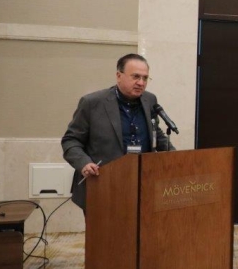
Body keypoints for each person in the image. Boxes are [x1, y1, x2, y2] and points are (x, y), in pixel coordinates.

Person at [62, 53, 174, 210]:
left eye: (145, 78)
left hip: (141, 185)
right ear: (119, 76)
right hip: (102, 185)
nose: (141, 83)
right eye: (136, 77)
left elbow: (156, 133)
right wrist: (84, 163)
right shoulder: (92, 103)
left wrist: (176, 157)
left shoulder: (150, 100)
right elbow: (71, 140)